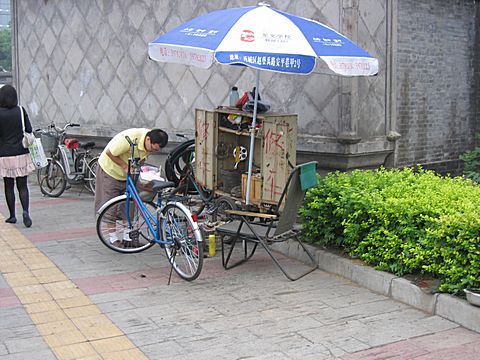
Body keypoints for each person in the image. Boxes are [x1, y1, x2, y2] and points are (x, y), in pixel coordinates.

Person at [94, 128, 168, 247]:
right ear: (148, 139)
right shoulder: (128, 139)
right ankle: (113, 239)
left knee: (130, 204)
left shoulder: (151, 140)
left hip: (129, 174)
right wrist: (124, 166)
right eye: (153, 149)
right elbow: (109, 152)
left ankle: (128, 237)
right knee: (110, 206)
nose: (153, 152)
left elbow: (142, 158)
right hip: (110, 172)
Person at [0, 84, 36, 227]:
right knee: (23, 185)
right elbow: (29, 129)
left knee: (8, 186)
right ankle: (26, 212)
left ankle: (12, 216)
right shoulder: (21, 110)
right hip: (21, 152)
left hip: (5, 154)